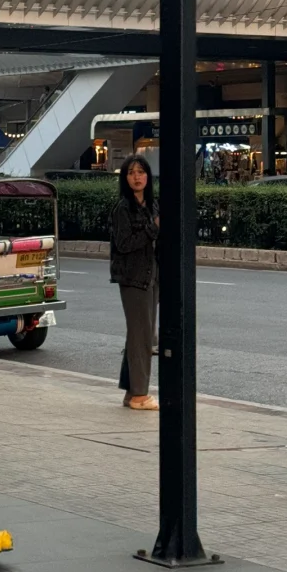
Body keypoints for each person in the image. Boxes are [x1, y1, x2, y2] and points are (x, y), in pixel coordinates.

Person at [109, 153, 159, 412]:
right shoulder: (123, 208)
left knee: (141, 334)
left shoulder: (152, 205)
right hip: (132, 277)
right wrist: (153, 228)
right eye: (131, 173)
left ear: (148, 176)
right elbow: (124, 244)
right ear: (125, 179)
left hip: (152, 275)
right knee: (142, 336)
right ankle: (140, 394)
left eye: (141, 172)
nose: (137, 177)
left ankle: (132, 392)